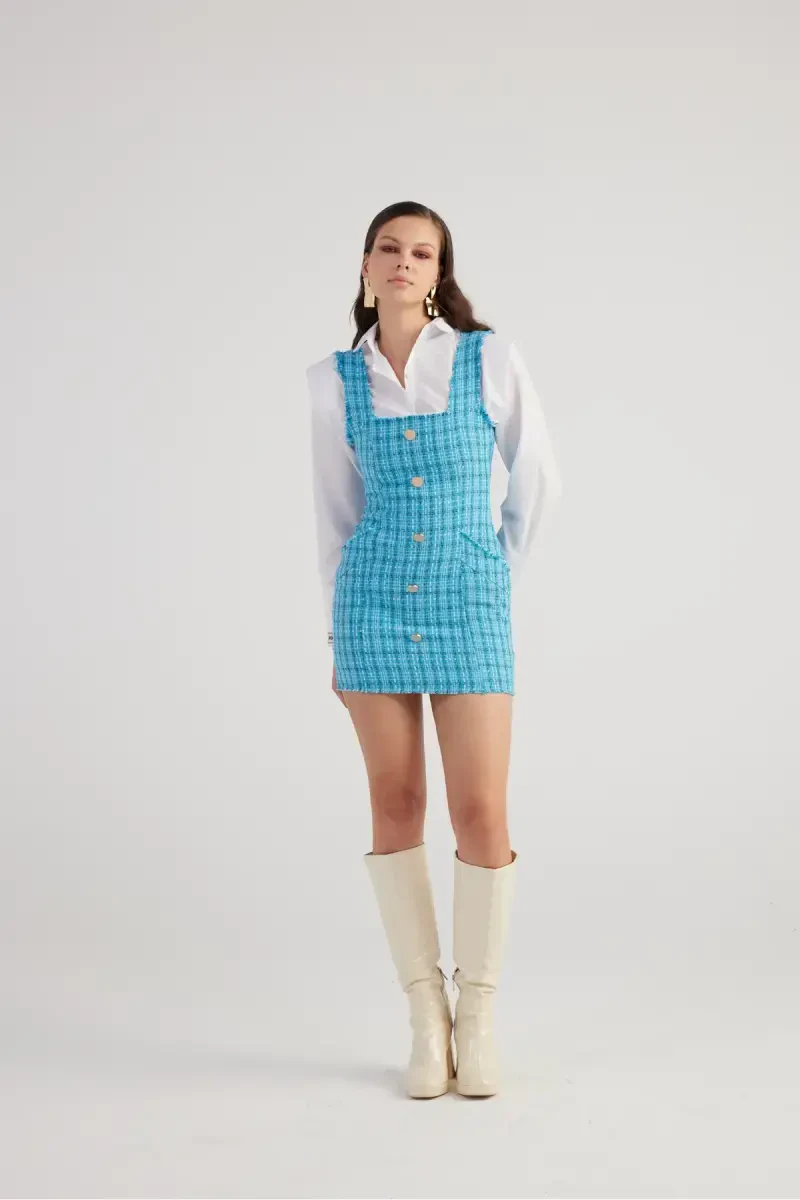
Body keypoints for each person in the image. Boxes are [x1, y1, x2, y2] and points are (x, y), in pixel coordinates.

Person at [306, 201, 562, 1098]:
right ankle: (426, 1019)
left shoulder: (487, 357)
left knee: (482, 811)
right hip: (371, 604)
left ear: (439, 270)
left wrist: (490, 578)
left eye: (422, 252)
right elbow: (334, 513)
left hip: (468, 604)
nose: (404, 262)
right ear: (366, 265)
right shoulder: (332, 381)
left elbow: (538, 480)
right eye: (389, 248)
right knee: (396, 802)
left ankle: (477, 1018)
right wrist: (336, 632)